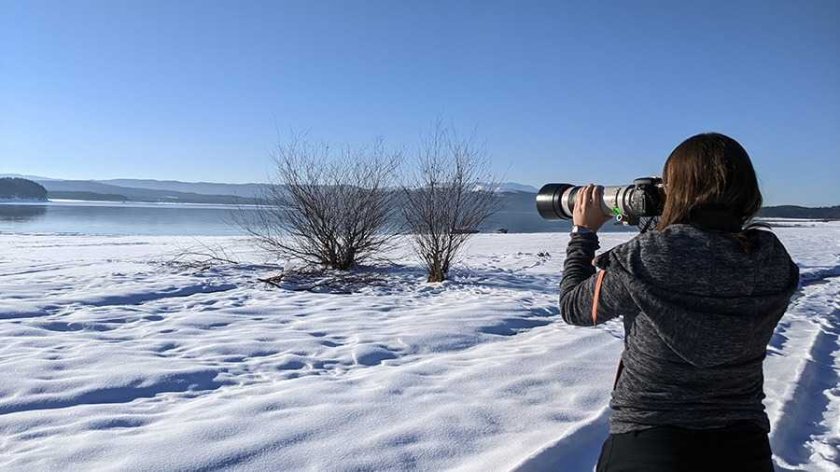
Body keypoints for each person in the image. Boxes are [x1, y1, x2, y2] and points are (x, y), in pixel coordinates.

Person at [558, 133, 800, 471]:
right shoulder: (771, 259)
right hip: (743, 445)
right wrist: (662, 228)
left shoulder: (643, 258)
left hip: (649, 439)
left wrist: (582, 235)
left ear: (678, 191)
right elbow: (701, 263)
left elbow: (574, 306)